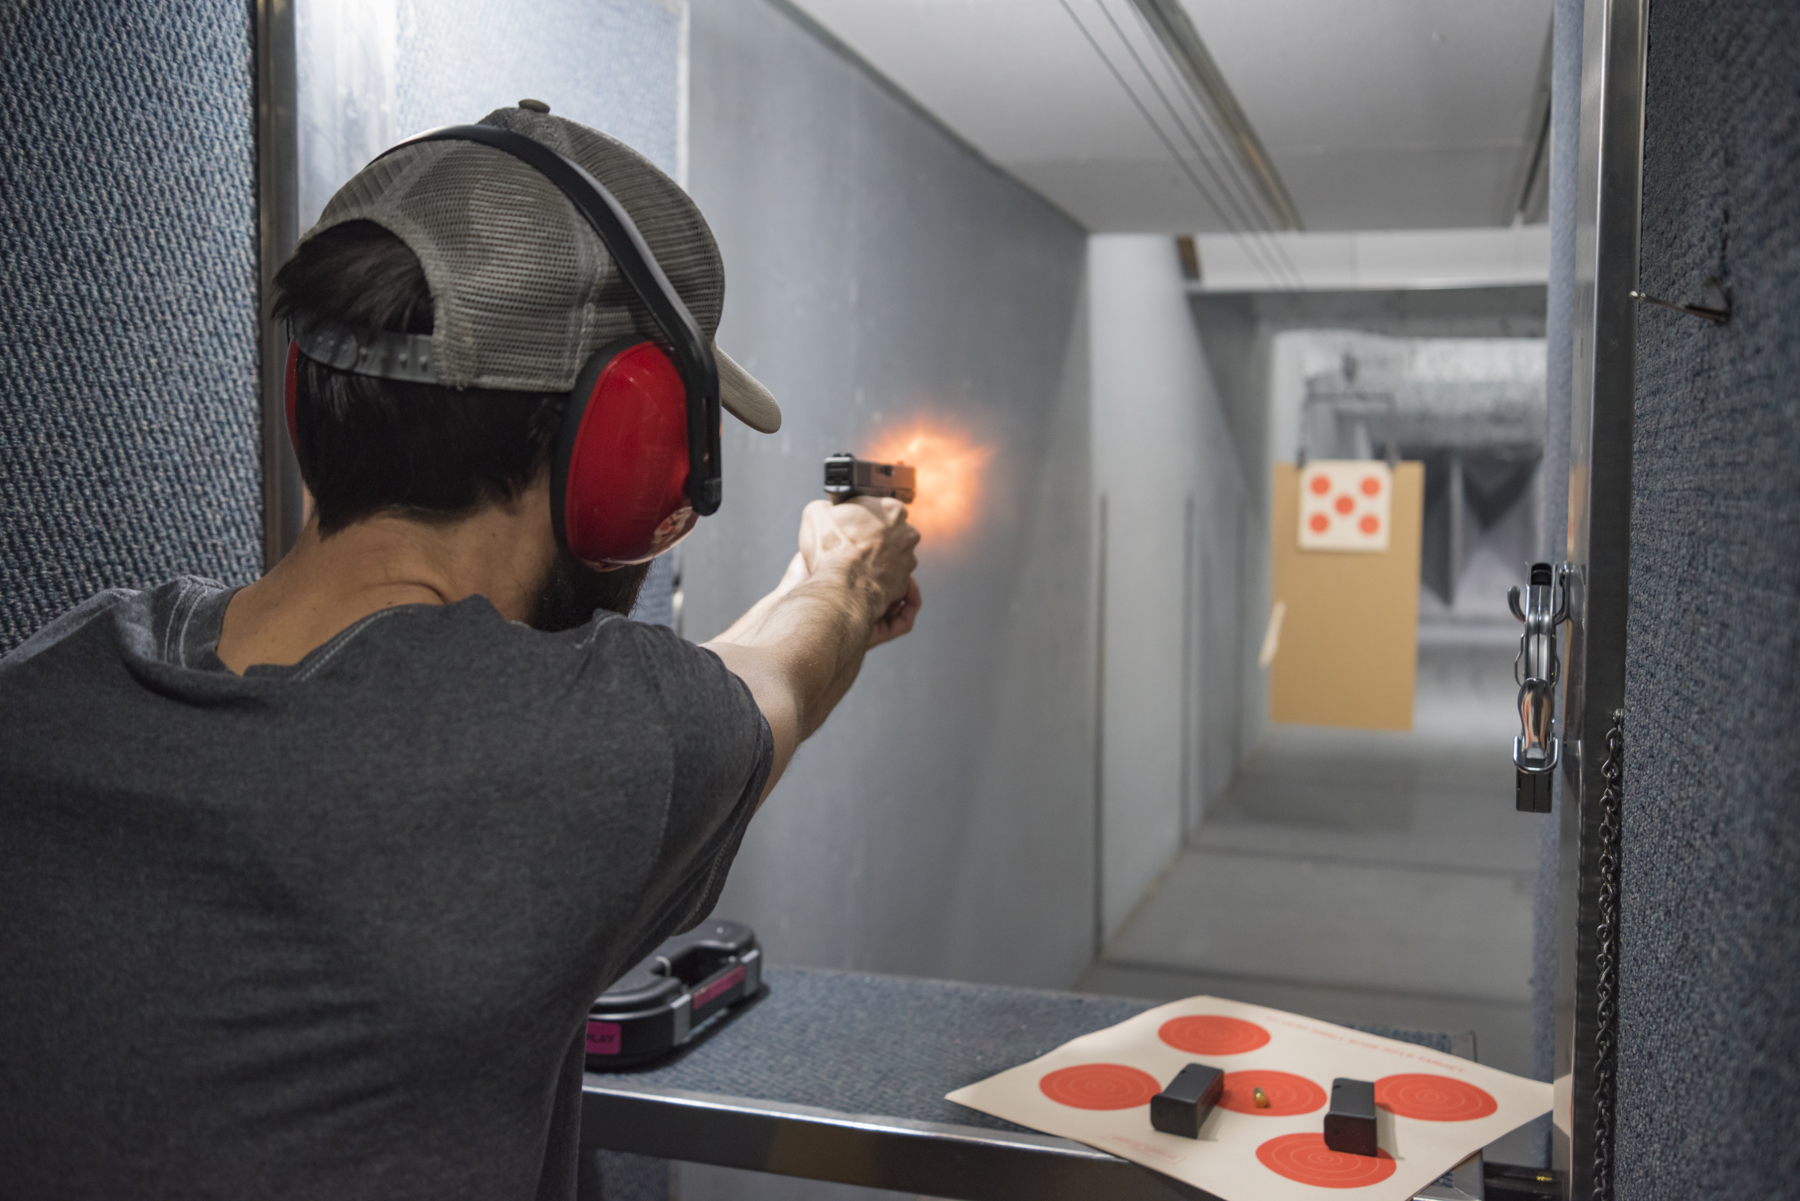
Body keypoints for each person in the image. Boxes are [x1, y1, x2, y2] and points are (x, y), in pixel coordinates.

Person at [0, 104, 920, 1200]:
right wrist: (849, 573)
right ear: (627, 456)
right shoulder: (592, 749)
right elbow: (781, 673)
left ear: (312, 394)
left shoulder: (53, 679)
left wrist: (824, 584)